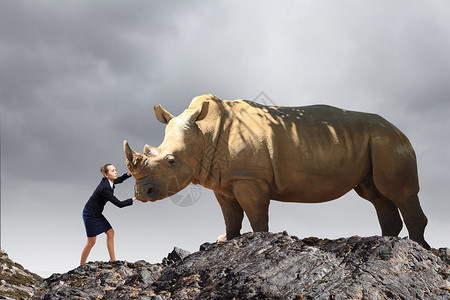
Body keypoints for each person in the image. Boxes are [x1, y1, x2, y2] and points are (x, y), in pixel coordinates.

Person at [80, 163, 136, 265]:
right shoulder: (105, 188)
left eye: (115, 170)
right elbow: (119, 204)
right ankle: (81, 265)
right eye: (113, 171)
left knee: (110, 233)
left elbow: (120, 179)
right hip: (90, 214)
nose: (116, 172)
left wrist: (130, 173)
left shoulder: (109, 181)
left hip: (96, 213)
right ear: (106, 175)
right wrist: (134, 198)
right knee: (91, 242)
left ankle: (112, 260)